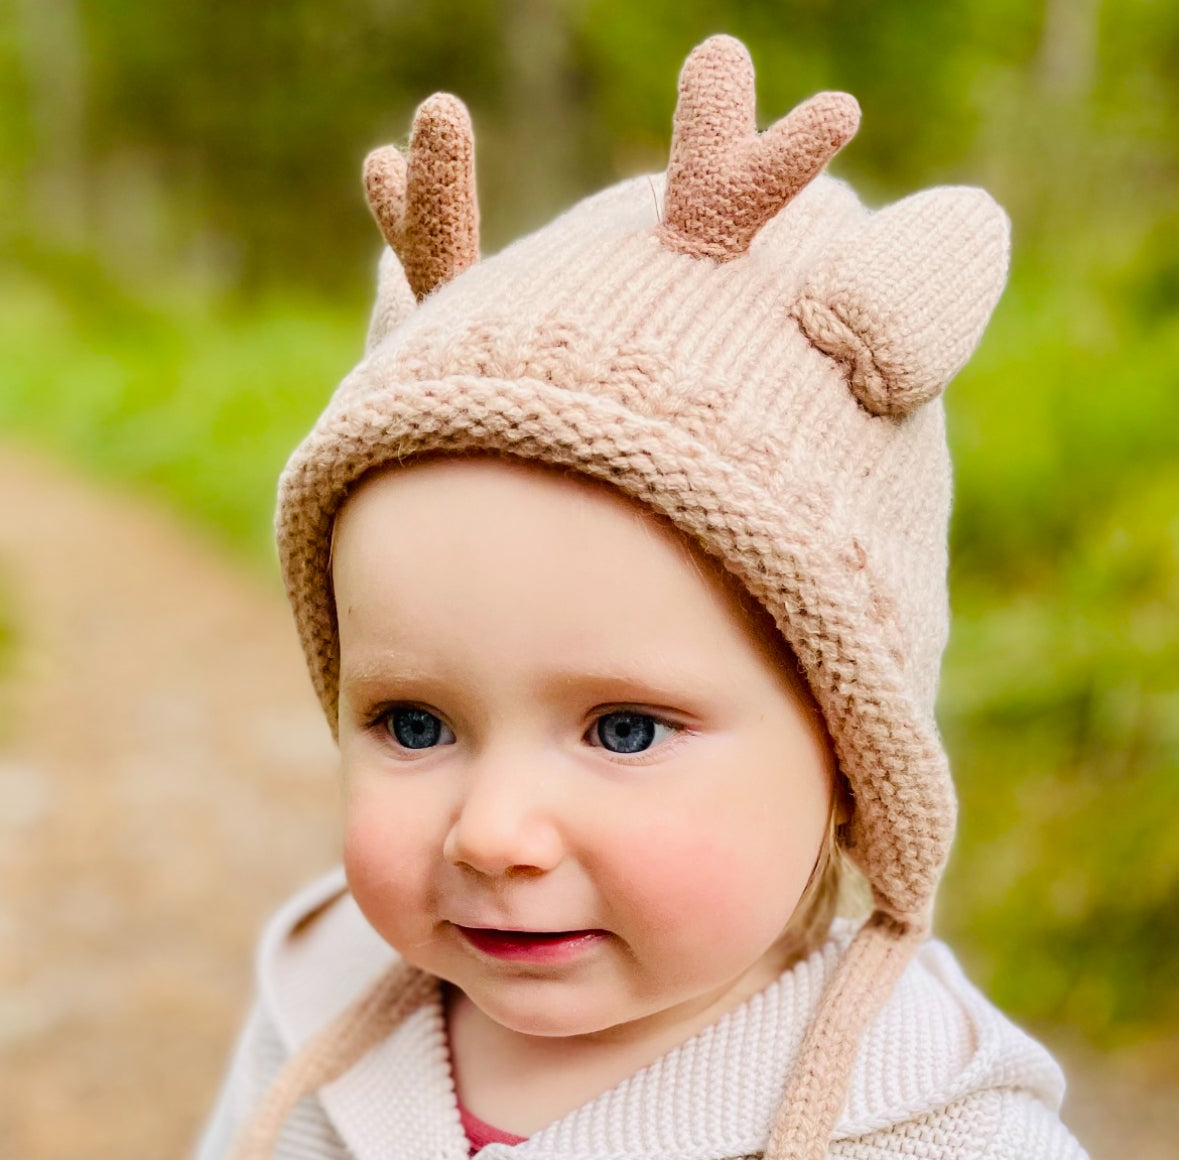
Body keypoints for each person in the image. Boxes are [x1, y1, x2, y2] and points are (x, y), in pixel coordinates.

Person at [195, 34, 1089, 1160]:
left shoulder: (931, 1125)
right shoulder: (321, 1007)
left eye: (623, 728)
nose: (494, 833)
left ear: (850, 753)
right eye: (413, 723)